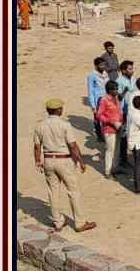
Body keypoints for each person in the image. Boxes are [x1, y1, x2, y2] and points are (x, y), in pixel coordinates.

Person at [33, 98, 96, 232]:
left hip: (48, 160)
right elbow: (72, 145)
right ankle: (80, 222)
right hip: (64, 160)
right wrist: (81, 161)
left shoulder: (40, 125)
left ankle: (58, 221)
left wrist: (38, 161)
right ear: (58, 110)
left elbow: (37, 146)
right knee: (73, 191)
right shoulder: (64, 125)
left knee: (53, 192)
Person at [96, 80, 122, 179]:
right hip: (109, 129)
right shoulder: (104, 100)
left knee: (116, 150)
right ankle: (108, 172)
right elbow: (99, 115)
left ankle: (114, 168)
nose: (116, 91)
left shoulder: (115, 99)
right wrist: (111, 122)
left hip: (118, 127)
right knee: (110, 150)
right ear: (109, 90)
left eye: (116, 89)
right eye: (115, 89)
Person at [87, 57, 109, 142]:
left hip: (106, 98)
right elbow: (90, 91)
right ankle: (99, 134)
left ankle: (105, 133)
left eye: (104, 64)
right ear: (96, 66)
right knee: (97, 118)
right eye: (101, 65)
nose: (103, 66)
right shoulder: (92, 75)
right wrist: (93, 105)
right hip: (97, 100)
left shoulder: (105, 73)